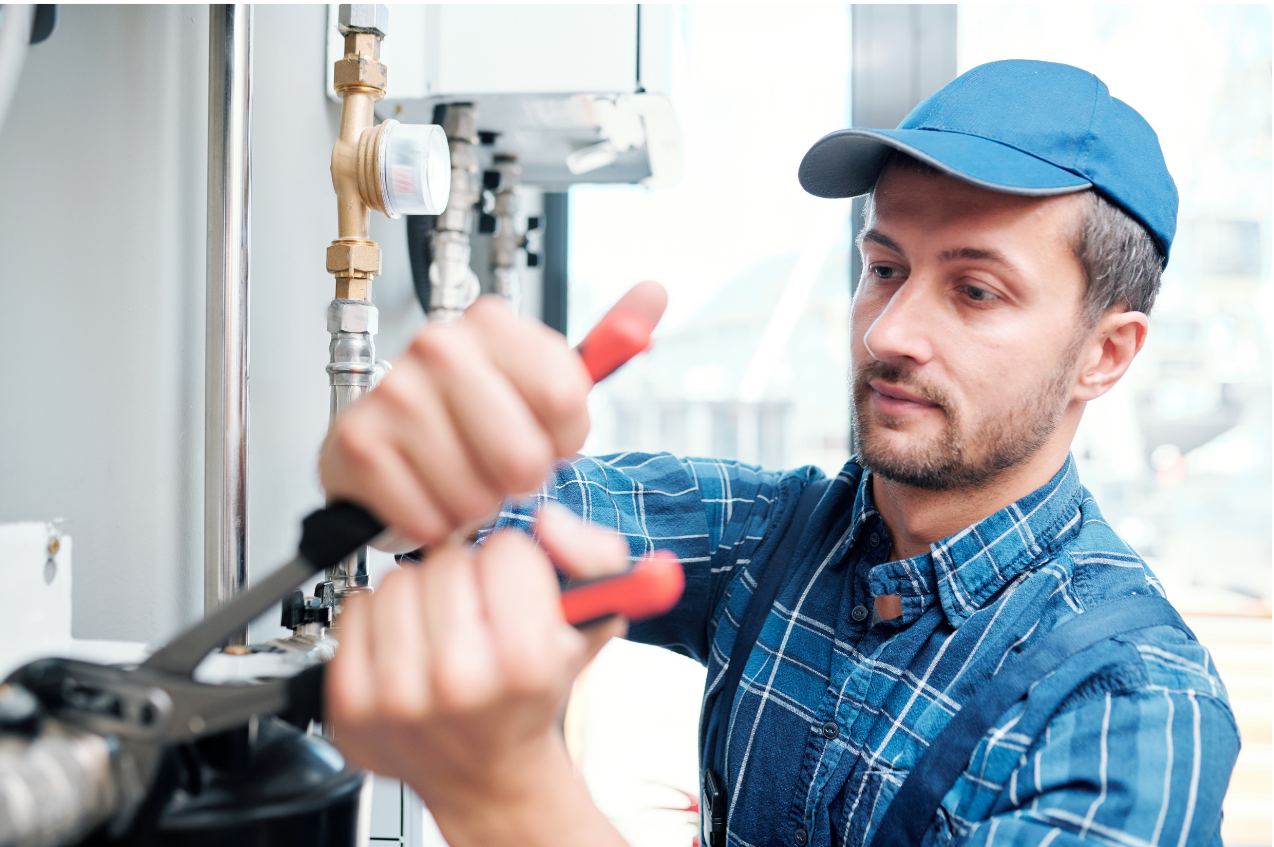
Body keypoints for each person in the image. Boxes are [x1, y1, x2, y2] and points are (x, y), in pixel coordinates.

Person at [318, 60, 1240, 847]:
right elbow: (484, 514)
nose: (890, 330)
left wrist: (509, 794)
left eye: (975, 291)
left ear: (1105, 353)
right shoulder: (780, 536)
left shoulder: (1130, 709)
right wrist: (407, 461)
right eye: (885, 268)